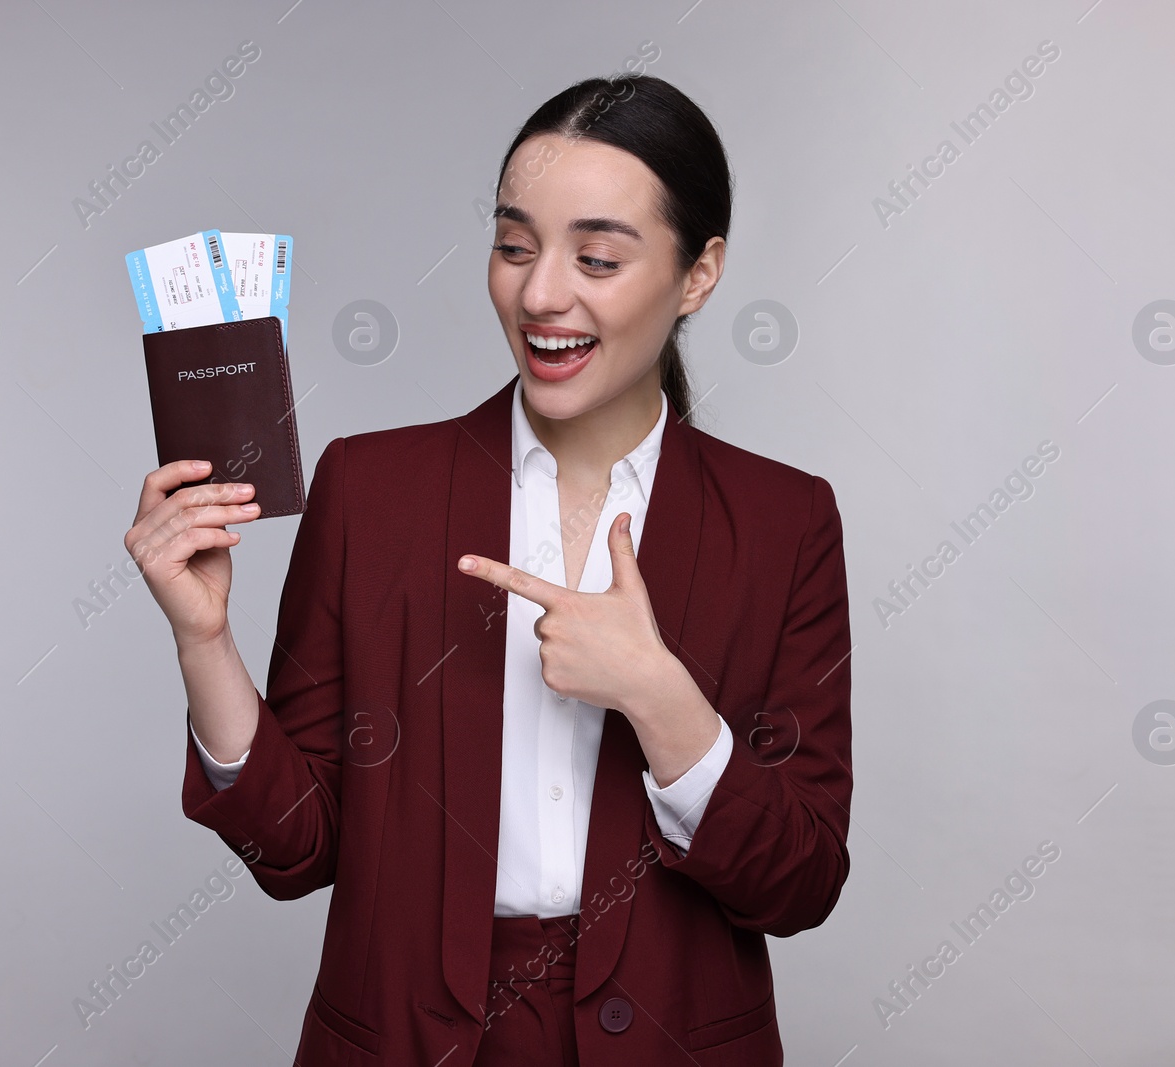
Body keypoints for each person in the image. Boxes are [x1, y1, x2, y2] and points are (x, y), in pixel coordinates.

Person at [124, 72, 853, 1067]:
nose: (540, 292)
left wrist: (658, 695)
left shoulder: (782, 519)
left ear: (698, 273)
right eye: (513, 246)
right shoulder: (372, 489)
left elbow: (800, 881)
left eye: (596, 256)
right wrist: (203, 639)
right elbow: (297, 847)